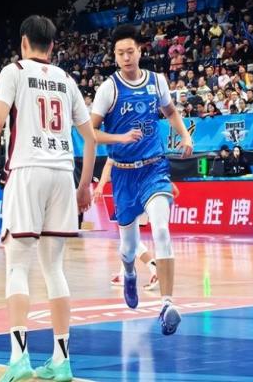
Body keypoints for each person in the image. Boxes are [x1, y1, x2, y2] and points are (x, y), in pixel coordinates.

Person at [0, 15, 96, 382]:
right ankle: (62, 360)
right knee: (54, 268)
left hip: (27, 172)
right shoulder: (67, 79)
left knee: (17, 267)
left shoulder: (14, 72)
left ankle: (18, 358)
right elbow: (89, 137)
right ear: (52, 46)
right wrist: (84, 185)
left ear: (24, 42)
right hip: (62, 175)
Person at [90, 25, 193, 336]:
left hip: (154, 168)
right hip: (123, 174)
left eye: (130, 51)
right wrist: (120, 138)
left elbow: (170, 111)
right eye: (120, 53)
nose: (126, 57)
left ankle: (167, 303)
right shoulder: (108, 89)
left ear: (139, 51)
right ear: (115, 56)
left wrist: (185, 135)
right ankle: (130, 273)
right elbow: (90, 132)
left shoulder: (156, 81)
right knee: (128, 247)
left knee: (161, 229)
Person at [93, 158, 160, 291]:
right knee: (128, 238)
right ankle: (124, 274)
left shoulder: (123, 148)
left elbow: (109, 163)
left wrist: (100, 185)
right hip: (143, 191)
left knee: (129, 240)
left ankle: (154, 267)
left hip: (130, 194)